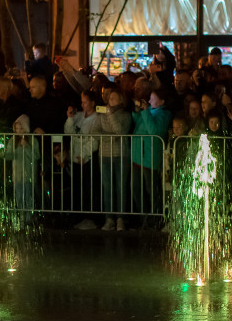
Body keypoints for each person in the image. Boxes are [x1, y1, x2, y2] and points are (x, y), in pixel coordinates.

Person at [130, 89, 172, 218]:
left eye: (153, 99)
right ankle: (143, 215)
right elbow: (139, 124)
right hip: (138, 154)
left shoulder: (164, 114)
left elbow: (154, 130)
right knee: (136, 187)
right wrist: (138, 112)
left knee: (151, 188)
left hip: (149, 155)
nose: (149, 101)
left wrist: (145, 112)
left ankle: (155, 216)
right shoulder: (150, 112)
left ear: (162, 101)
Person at [65, 91, 102, 229]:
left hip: (87, 158)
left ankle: (90, 217)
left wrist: (84, 154)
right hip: (75, 156)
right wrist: (70, 118)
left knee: (88, 187)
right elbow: (68, 132)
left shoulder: (97, 118)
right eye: (82, 102)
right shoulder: (79, 116)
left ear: (92, 102)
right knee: (77, 187)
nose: (83, 104)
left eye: (85, 101)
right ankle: (78, 215)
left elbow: (95, 138)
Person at [97, 89, 132, 231]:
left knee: (121, 187)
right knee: (107, 188)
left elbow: (121, 131)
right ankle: (109, 218)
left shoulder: (125, 116)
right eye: (109, 97)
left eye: (114, 98)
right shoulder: (101, 115)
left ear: (121, 100)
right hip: (104, 154)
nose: (110, 100)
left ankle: (120, 219)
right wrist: (109, 137)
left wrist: (110, 114)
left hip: (120, 154)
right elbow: (95, 131)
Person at [3, 114, 41, 222]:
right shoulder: (12, 140)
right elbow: (10, 155)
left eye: (21, 128)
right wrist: (3, 154)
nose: (18, 131)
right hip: (17, 174)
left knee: (28, 195)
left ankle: (29, 216)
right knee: (19, 196)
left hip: (29, 173)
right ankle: (21, 216)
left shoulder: (32, 140)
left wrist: (27, 147)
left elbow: (36, 156)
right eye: (17, 128)